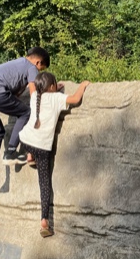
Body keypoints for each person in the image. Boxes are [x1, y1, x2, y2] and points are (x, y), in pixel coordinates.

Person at [19, 72, 90, 238]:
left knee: (27, 138)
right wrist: (83, 85)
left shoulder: (35, 96)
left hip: (26, 140)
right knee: (44, 184)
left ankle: (29, 155)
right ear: (52, 87)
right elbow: (75, 99)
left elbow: (31, 85)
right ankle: (44, 220)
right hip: (43, 148)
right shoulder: (57, 98)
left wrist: (50, 87)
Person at [0, 47, 50, 186]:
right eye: (41, 70)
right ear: (38, 62)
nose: (38, 74)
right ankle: (11, 151)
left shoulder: (15, 65)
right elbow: (33, 94)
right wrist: (39, 109)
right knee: (26, 112)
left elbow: (14, 96)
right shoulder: (31, 67)